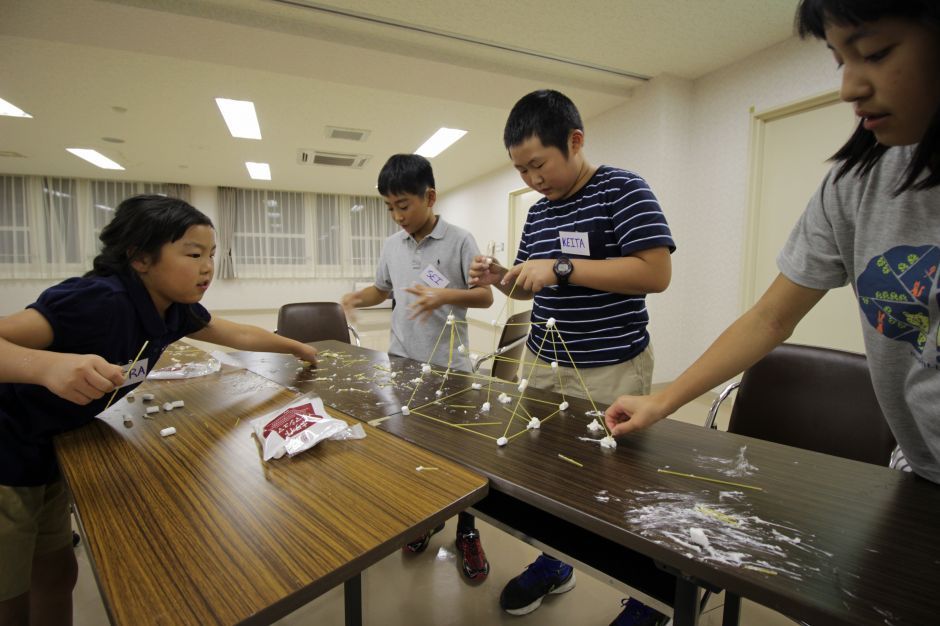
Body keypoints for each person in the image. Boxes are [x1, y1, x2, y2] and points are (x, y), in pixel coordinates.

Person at [606, 1, 940, 480]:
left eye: (876, 52)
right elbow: (771, 315)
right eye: (841, 60)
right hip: (920, 466)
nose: (849, 87)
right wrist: (661, 401)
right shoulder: (855, 185)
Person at [0, 195, 319, 626]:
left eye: (211, 254)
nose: (208, 266)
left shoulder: (175, 309)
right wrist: (46, 366)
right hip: (7, 451)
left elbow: (237, 332)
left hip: (48, 449)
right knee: (9, 593)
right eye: (192, 254)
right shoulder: (97, 299)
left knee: (56, 571)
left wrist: (296, 347)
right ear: (140, 257)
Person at [469, 89, 675, 620]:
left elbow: (655, 272)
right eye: (521, 170)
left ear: (575, 141)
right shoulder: (539, 214)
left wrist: (562, 266)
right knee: (551, 472)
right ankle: (555, 563)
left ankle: (648, 599)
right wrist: (502, 279)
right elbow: (526, 286)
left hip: (612, 365)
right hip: (544, 360)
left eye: (539, 164)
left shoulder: (623, 189)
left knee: (613, 480)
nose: (533, 180)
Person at [341, 153, 494, 580]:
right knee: (414, 450)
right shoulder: (393, 245)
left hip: (451, 369)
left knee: (460, 457)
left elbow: (484, 298)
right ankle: (429, 517)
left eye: (403, 205)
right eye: (390, 207)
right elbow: (382, 288)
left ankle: (467, 530)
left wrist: (445, 296)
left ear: (429, 196)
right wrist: (356, 297)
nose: (397, 216)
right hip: (402, 366)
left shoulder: (460, 240)